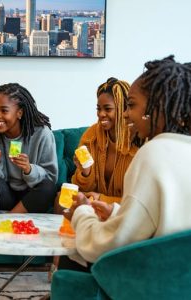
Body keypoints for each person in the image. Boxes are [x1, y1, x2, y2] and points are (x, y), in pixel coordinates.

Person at [64, 55, 191, 265]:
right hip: (178, 278)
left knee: (75, 253)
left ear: (157, 108)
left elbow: (109, 244)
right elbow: (160, 223)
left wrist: (82, 213)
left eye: (131, 105)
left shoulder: (152, 153)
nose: (125, 115)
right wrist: (115, 211)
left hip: (146, 280)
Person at [50, 77, 138, 277]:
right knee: (61, 200)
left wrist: (101, 199)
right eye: (98, 109)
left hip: (119, 210)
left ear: (124, 108)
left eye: (107, 109)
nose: (101, 115)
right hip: (92, 203)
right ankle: (59, 268)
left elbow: (134, 199)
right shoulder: (91, 136)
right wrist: (85, 172)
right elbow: (79, 186)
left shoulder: (138, 141)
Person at [0, 83, 58, 214]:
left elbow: (51, 177)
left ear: (19, 113)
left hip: (31, 195)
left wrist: (29, 169)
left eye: (4, 110)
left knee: (48, 188)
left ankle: (9, 218)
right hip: (6, 193)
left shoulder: (42, 134)